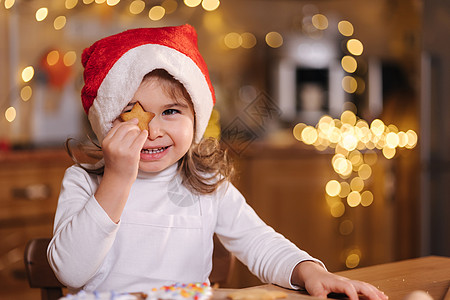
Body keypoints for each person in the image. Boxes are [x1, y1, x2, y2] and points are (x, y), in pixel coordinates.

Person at [47, 25, 387, 300]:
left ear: (195, 120)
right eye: (131, 114)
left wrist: (311, 271)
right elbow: (70, 271)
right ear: (107, 123)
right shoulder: (83, 181)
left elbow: (258, 242)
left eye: (170, 112)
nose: (152, 130)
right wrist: (117, 179)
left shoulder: (207, 185)